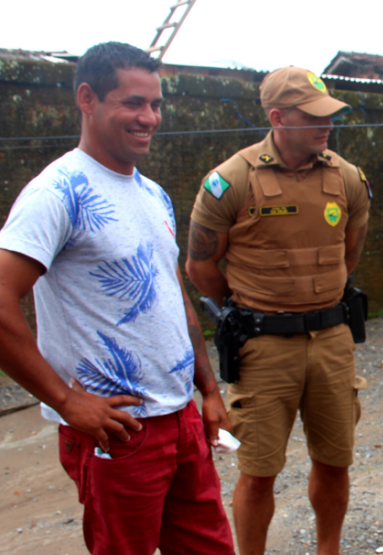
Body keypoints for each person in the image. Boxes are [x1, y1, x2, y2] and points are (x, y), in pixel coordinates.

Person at [0, 42, 234, 554]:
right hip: (118, 430)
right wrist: (64, 401)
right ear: (87, 98)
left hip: (181, 419)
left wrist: (207, 391)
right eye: (132, 103)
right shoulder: (57, 192)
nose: (148, 118)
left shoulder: (151, 194)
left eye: (155, 105)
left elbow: (172, 295)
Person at [185, 66, 370, 555]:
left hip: (332, 340)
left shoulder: (347, 177)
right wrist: (249, 307)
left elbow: (347, 256)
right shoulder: (231, 180)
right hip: (263, 346)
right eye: (312, 116)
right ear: (277, 118)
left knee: (335, 461)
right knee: (259, 469)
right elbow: (200, 265)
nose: (326, 124)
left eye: (329, 114)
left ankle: (328, 549)